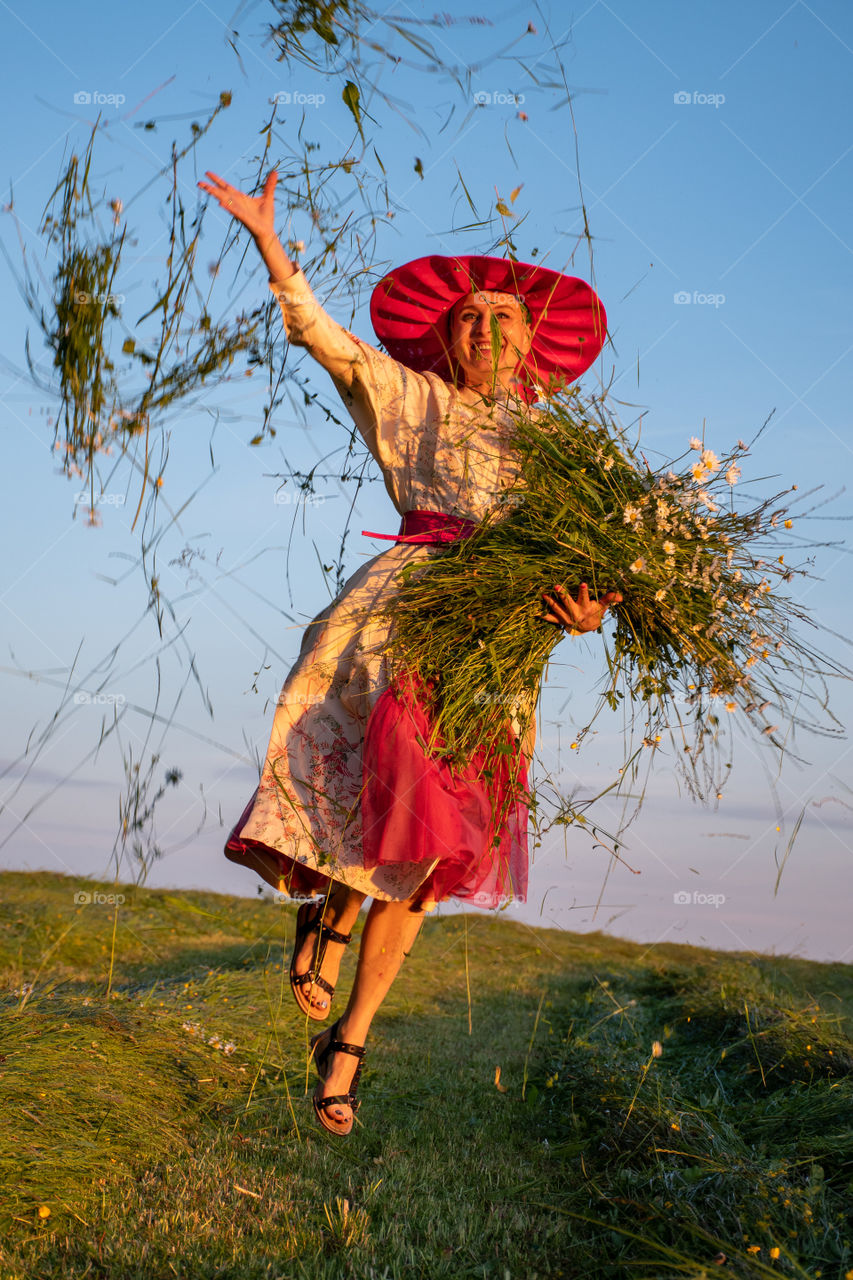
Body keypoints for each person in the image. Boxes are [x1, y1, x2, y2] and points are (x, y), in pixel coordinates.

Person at [198, 169, 621, 1135]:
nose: (487, 333)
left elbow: (591, 571)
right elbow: (330, 345)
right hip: (408, 611)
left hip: (499, 646)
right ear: (446, 334)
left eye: (504, 320)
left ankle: (346, 1045)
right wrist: (273, 252)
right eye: (471, 319)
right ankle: (327, 921)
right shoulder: (410, 398)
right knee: (393, 782)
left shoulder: (564, 454)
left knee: (436, 851)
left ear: (529, 344)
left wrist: (584, 613)